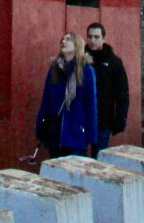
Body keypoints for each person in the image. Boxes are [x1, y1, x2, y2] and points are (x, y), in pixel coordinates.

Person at [36, 32, 98, 159]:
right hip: (55, 131)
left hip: (77, 132)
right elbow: (46, 101)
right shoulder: (54, 70)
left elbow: (91, 104)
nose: (63, 42)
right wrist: (40, 127)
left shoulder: (86, 71)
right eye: (62, 40)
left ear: (77, 45)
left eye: (68, 40)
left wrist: (91, 136)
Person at [86, 22, 130, 154]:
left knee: (99, 156)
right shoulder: (81, 59)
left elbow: (122, 92)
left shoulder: (114, 62)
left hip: (103, 119)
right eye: (90, 36)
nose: (92, 40)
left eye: (96, 37)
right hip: (82, 118)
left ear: (104, 39)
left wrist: (120, 118)